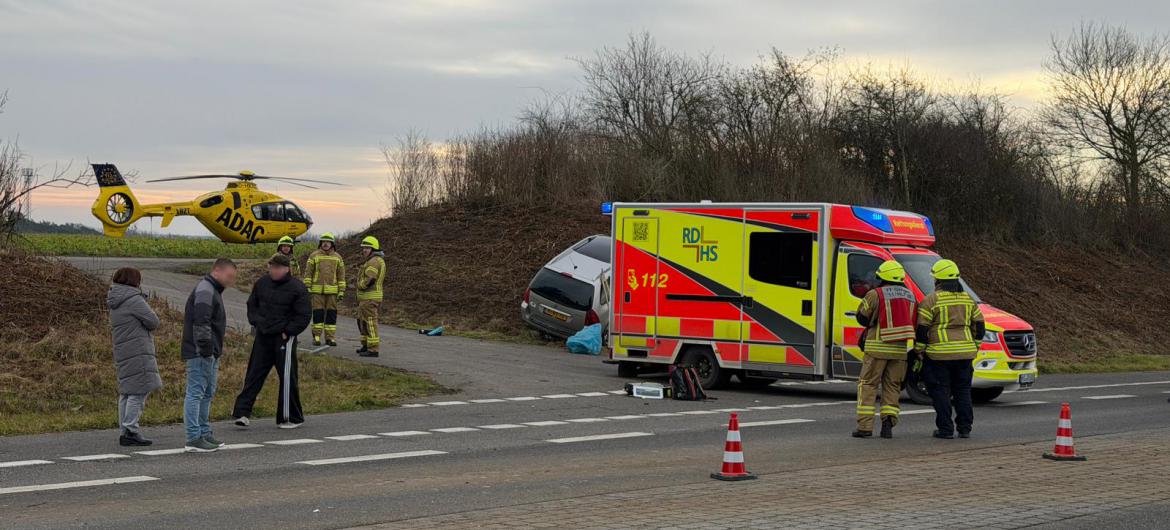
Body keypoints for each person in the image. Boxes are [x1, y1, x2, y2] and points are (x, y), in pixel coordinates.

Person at [232, 254, 311, 429]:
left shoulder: (298, 288)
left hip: (283, 338)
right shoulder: (262, 283)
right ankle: (242, 413)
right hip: (263, 335)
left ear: (286, 269)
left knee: (287, 377)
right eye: (271, 267)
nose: (273, 271)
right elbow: (252, 305)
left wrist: (288, 331)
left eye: (277, 268)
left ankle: (290, 417)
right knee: (254, 374)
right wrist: (256, 322)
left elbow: (304, 315)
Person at [916, 259, 985, 440]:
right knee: (963, 391)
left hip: (939, 355)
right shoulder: (968, 299)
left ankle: (945, 429)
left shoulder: (931, 300)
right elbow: (980, 325)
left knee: (941, 392)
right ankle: (965, 428)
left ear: (938, 280)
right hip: (965, 355)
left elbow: (922, 328)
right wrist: (975, 346)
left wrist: (919, 350)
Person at [853, 260, 917, 439]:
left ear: (882, 277)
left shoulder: (875, 294)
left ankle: (865, 427)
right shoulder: (911, 296)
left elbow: (862, 317)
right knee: (892, 386)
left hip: (876, 349)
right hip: (899, 351)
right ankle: (888, 422)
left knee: (868, 385)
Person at [181, 258, 236, 453]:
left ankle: (204, 433)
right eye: (229, 276)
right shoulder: (206, 290)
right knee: (196, 393)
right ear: (217, 271)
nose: (231, 281)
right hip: (201, 352)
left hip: (210, 351)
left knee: (206, 393)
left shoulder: (212, 290)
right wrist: (206, 350)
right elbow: (201, 322)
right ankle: (193, 437)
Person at [108, 267, 162, 447]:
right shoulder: (133, 299)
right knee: (139, 390)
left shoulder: (115, 298)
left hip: (123, 349)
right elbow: (153, 321)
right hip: (137, 349)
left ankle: (124, 431)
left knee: (127, 391)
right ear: (134, 281)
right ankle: (131, 428)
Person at [304, 232, 346, 347]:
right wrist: (307, 287)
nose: (325, 244)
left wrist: (341, 290)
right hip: (317, 291)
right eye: (323, 242)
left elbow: (341, 275)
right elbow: (308, 273)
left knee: (331, 315)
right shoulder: (314, 255)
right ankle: (316, 336)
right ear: (320, 243)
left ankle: (330, 338)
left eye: (328, 242)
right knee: (318, 314)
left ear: (332, 244)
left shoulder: (338, 257)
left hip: (332, 292)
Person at [355, 235, 386, 357]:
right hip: (366, 298)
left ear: (373, 249)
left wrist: (360, 285)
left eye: (367, 248)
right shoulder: (374, 260)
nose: (364, 250)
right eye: (363, 248)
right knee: (362, 322)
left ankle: (373, 349)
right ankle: (366, 346)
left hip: (370, 298)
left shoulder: (373, 261)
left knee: (370, 323)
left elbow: (370, 279)